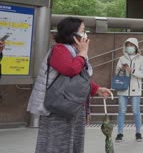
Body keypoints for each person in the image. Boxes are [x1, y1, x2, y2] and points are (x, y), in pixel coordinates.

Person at [27, 17, 112, 153]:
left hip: (72, 105)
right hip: (58, 107)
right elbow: (70, 70)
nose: (86, 35)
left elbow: (79, 79)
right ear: (72, 34)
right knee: (57, 144)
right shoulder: (59, 49)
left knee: (73, 143)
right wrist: (83, 53)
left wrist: (96, 89)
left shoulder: (74, 51)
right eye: (83, 31)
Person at [115, 38, 143, 143]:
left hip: (136, 89)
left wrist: (132, 70)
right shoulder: (121, 59)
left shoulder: (141, 59)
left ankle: (138, 133)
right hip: (122, 88)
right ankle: (120, 133)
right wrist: (122, 70)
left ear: (136, 46)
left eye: (132, 45)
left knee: (136, 111)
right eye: (128, 45)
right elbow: (116, 73)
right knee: (121, 111)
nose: (129, 47)